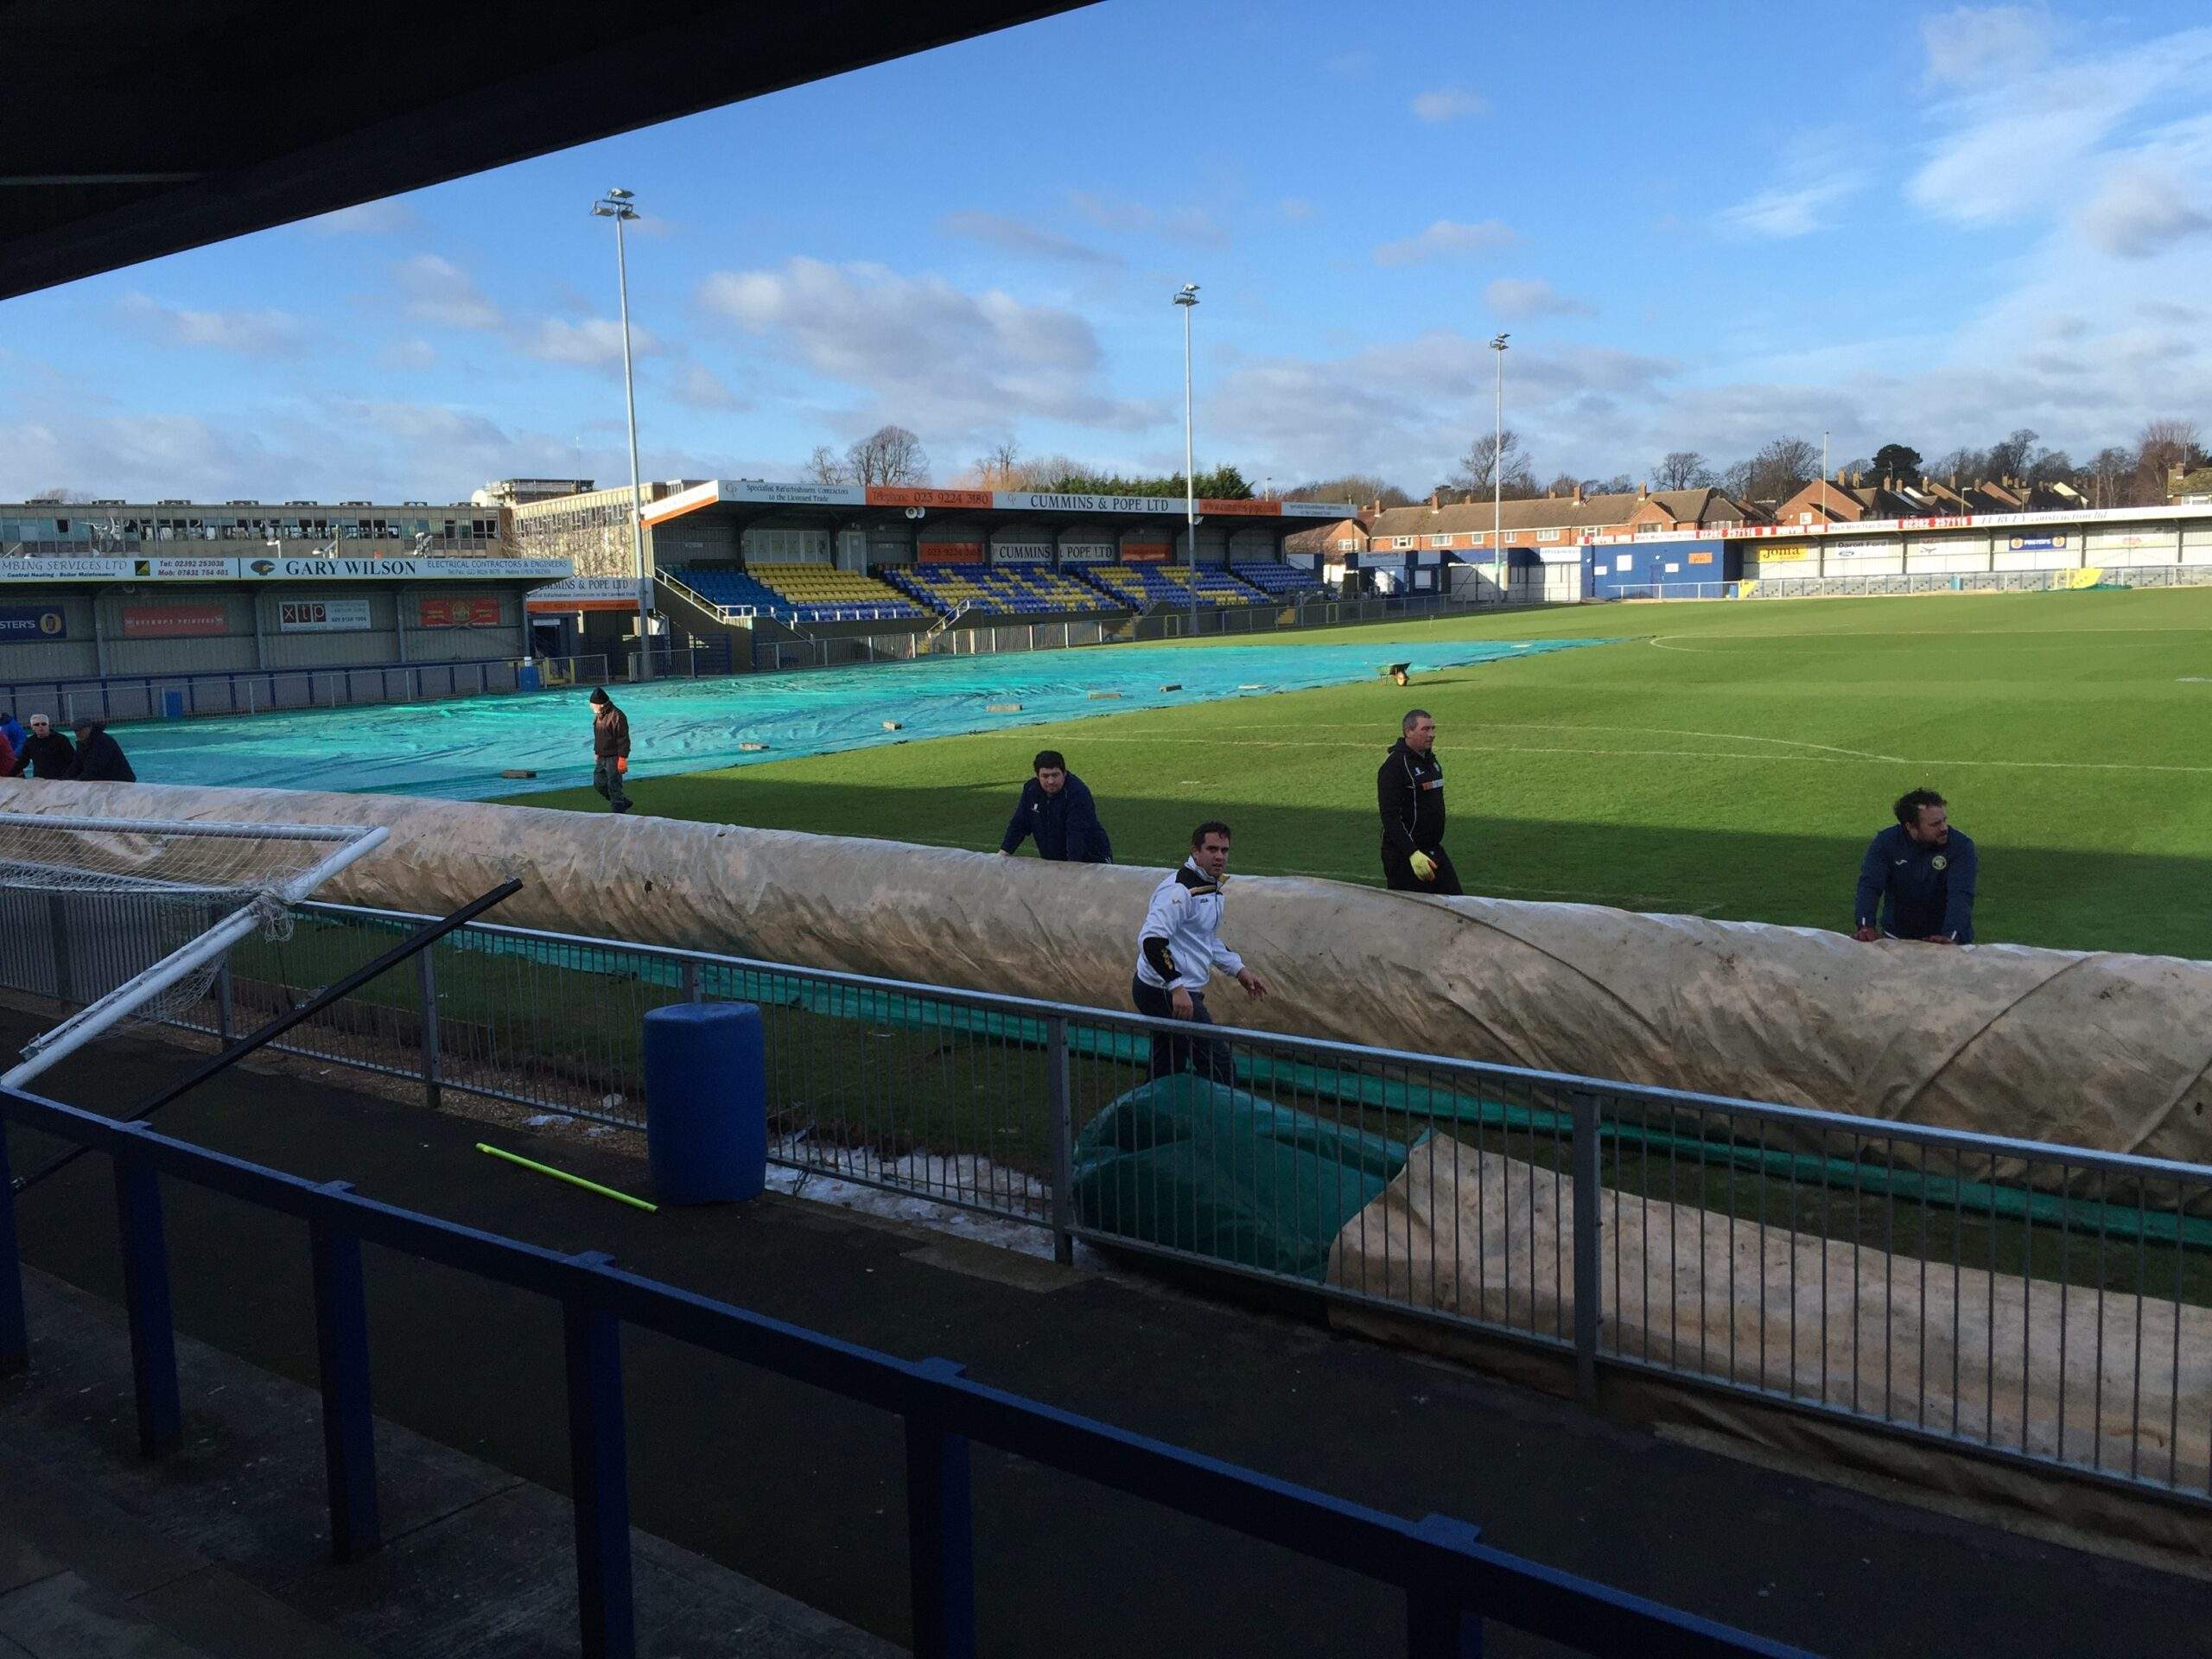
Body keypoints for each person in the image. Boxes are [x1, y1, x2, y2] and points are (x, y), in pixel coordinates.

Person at [1132, 821, 1268, 1083]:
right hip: (1162, 990)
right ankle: (1221, 1119)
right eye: (1212, 849)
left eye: (1224, 850)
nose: (1219, 856)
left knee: (1167, 1061)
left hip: (1168, 988)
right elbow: (1151, 940)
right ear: (1196, 852)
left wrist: (1239, 970)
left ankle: (1154, 1116)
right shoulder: (1180, 890)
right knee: (1220, 1068)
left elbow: (1205, 938)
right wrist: (1176, 988)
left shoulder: (1210, 886)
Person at [1853, 787, 1976, 945]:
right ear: (1910, 826)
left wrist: (1951, 936)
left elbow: (1960, 894)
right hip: (1898, 939)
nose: (1944, 828)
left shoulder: (1960, 846)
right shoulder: (1886, 843)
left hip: (1945, 942)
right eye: (1935, 824)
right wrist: (1865, 925)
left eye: (1945, 820)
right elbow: (1870, 885)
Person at [1377, 709, 1462, 895]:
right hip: (1405, 856)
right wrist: (1411, 853)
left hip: (1433, 850)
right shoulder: (1395, 766)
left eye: (1433, 728)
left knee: (1457, 904)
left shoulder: (1430, 760)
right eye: (1425, 729)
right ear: (1408, 731)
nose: (1432, 734)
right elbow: (1389, 816)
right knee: (1412, 914)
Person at [996, 749, 1113, 863]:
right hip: (1054, 860)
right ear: (1037, 776)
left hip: (1092, 859)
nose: (1051, 781)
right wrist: (1003, 854)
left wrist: (1071, 867)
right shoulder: (1031, 790)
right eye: (1045, 776)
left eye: (1055, 775)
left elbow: (1076, 832)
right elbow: (1020, 823)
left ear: (1064, 773)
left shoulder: (1077, 793)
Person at [588, 687, 632, 813]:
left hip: (614, 757)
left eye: (593, 704)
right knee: (599, 783)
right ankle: (622, 802)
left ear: (600, 705)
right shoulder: (598, 716)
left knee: (614, 787)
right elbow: (599, 735)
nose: (591, 707)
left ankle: (619, 814)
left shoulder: (617, 716)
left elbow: (623, 739)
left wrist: (623, 759)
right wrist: (597, 751)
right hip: (602, 756)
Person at [72, 719, 136, 783]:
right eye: (75, 731)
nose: (78, 733)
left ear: (90, 728)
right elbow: (76, 765)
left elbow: (96, 767)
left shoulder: (102, 741)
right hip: (107, 780)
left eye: (80, 730)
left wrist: (79, 779)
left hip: (121, 781)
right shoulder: (83, 743)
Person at [14, 714, 76, 779]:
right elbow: (23, 761)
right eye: (37, 725)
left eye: (43, 724)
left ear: (48, 725)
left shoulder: (61, 739)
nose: (40, 726)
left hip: (59, 778)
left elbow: (72, 759)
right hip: (40, 779)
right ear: (32, 727)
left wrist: (67, 777)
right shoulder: (30, 742)